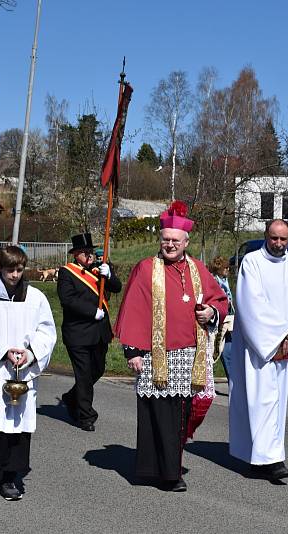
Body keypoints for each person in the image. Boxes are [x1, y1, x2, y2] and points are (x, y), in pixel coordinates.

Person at [115, 200, 228, 492]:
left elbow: (219, 300)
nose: (170, 245)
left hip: (190, 356)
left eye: (175, 241)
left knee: (181, 415)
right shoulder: (145, 269)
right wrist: (133, 351)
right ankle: (167, 473)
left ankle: (169, 467)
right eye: (165, 240)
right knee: (161, 415)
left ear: (186, 242)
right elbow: (134, 308)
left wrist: (210, 313)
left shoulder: (197, 268)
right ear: (160, 240)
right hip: (156, 356)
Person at [0, 245, 56, 501]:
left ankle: (10, 478)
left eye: (19, 269)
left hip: (22, 371)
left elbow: (46, 332)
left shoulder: (36, 298)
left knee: (19, 429)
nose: (15, 275)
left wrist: (31, 353)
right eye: (10, 270)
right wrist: (3, 351)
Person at [228, 219, 288, 482]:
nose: (278, 243)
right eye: (274, 238)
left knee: (276, 403)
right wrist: (278, 336)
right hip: (258, 346)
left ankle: (267, 457)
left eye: (283, 239)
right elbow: (252, 304)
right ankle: (267, 459)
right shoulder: (251, 262)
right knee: (260, 400)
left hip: (285, 344)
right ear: (266, 236)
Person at [57, 233, 122, 431]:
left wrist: (109, 275)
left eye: (91, 252)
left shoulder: (100, 269)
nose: (89, 256)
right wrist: (92, 311)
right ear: (76, 255)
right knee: (84, 375)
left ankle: (71, 397)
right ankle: (85, 415)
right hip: (78, 332)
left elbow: (117, 288)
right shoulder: (67, 273)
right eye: (85, 253)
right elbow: (67, 300)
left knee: (98, 369)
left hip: (99, 332)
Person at [208, 256, 234, 377]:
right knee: (215, 350)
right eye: (225, 267)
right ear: (218, 268)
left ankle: (233, 383)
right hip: (219, 321)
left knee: (228, 353)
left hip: (228, 320)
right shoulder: (214, 280)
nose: (228, 269)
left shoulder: (224, 280)